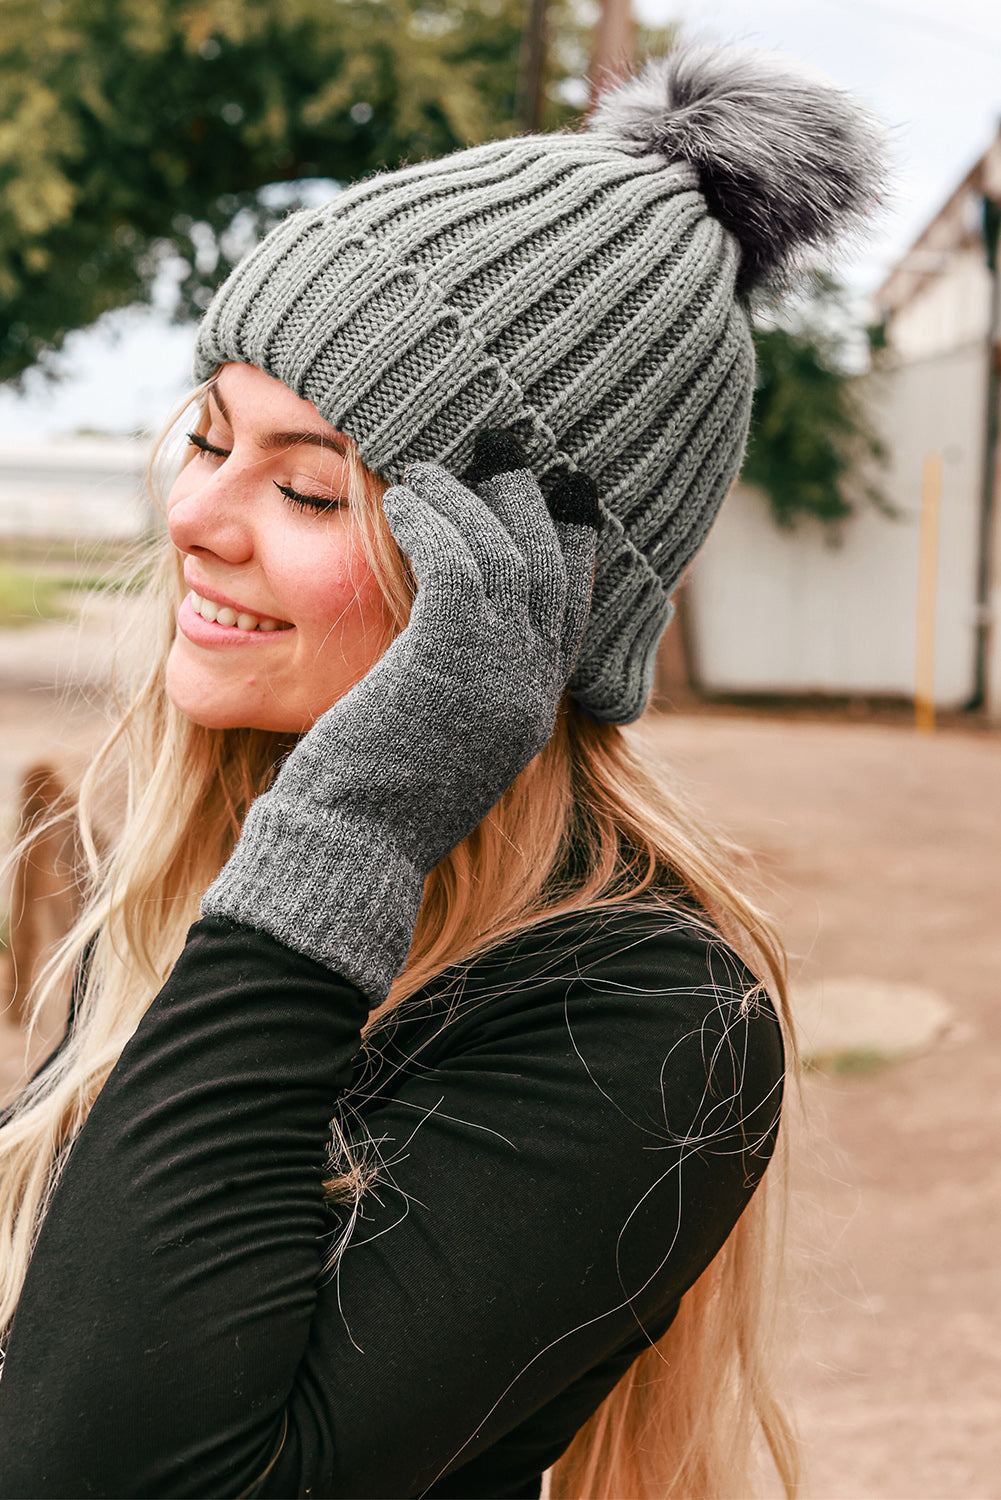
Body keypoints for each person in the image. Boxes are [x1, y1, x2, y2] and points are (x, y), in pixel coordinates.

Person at [0, 45, 886, 1499]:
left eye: (307, 485)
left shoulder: (640, 1017)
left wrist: (346, 830)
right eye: (209, 439)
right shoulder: (198, 865)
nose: (198, 520)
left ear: (525, 595)